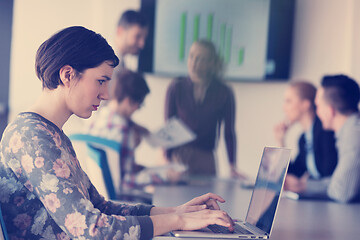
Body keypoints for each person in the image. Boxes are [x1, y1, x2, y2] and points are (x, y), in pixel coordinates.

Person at [0, 26, 234, 239]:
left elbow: (101, 207)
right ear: (68, 75)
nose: (107, 94)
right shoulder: (31, 138)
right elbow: (93, 229)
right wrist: (179, 221)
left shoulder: (51, 135)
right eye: (101, 81)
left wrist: (176, 211)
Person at [85, 69, 182, 193]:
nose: (137, 109)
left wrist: (148, 170)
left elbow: (118, 170)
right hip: (124, 203)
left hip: (100, 195)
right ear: (128, 101)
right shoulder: (123, 130)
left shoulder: (98, 117)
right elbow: (124, 183)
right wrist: (165, 176)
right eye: (139, 104)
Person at [165, 39, 242, 178]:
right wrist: (167, 160)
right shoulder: (176, 87)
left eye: (200, 59)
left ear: (211, 63)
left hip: (206, 159)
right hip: (179, 157)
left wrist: (232, 166)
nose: (194, 63)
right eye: (192, 56)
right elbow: (169, 127)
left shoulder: (224, 92)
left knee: (205, 198)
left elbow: (229, 132)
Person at [288, 74, 360, 203]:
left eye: (318, 106)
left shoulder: (354, 134)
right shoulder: (347, 132)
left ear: (330, 110)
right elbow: (337, 182)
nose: (317, 112)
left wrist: (305, 185)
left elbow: (342, 191)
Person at [273, 82, 338, 191]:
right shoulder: (304, 139)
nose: (284, 108)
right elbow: (294, 174)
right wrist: (280, 141)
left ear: (305, 104)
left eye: (288, 101)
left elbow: (329, 175)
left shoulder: (326, 132)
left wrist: (305, 183)